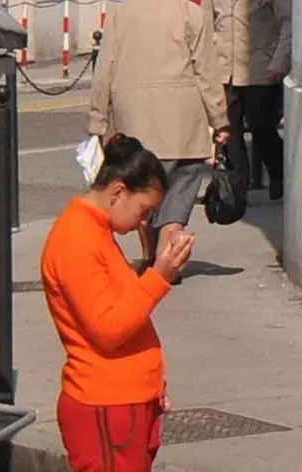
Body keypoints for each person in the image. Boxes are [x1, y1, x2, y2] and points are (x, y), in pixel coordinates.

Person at [41, 134, 195, 471]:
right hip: (106, 406)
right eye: (144, 211)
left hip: (122, 404)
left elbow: (124, 313)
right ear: (118, 192)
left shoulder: (96, 232)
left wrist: (153, 386)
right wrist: (159, 276)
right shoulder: (77, 239)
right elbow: (108, 328)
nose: (144, 223)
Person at [88, 0, 230, 283]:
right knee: (180, 191)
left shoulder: (121, 13)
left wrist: (98, 119)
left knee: (143, 189)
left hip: (136, 119)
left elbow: (104, 69)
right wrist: (219, 119)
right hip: (183, 119)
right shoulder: (190, 12)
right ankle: (169, 260)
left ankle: (152, 257)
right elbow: (205, 70)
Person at [209, 0, 291, 200]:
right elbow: (206, 25)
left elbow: (288, 22)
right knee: (230, 132)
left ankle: (278, 172)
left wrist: (280, 62)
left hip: (261, 69)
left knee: (261, 125)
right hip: (225, 71)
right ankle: (237, 188)